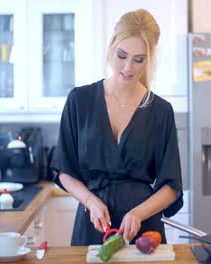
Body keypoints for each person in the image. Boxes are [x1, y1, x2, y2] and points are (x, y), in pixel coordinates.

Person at [50, 9, 183, 246]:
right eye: (121, 55)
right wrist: (90, 201)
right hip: (94, 223)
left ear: (149, 59)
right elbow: (64, 171)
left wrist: (138, 213)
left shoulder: (161, 110)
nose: (128, 67)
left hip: (143, 229)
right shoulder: (79, 100)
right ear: (112, 46)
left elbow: (171, 187)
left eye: (139, 59)